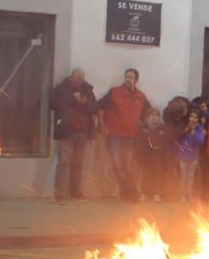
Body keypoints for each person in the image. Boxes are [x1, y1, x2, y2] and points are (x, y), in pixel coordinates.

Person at [98, 68, 150, 202]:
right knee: (120, 164)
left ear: (136, 80)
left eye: (131, 77)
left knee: (125, 165)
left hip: (132, 136)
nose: (128, 79)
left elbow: (148, 113)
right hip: (115, 134)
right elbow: (100, 108)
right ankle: (132, 193)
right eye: (127, 77)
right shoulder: (114, 92)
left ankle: (126, 193)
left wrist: (146, 127)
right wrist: (103, 127)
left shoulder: (141, 96)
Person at [50, 68, 98, 203]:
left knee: (78, 164)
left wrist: (84, 103)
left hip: (82, 131)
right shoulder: (61, 88)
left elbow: (95, 107)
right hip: (66, 131)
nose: (79, 79)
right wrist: (72, 98)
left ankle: (76, 192)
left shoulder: (88, 89)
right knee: (64, 163)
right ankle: (60, 193)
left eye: (81, 77)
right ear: (71, 76)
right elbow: (53, 104)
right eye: (77, 77)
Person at [137, 107, 172, 202]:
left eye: (156, 115)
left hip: (158, 156)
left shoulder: (163, 128)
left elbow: (166, 143)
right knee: (145, 175)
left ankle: (157, 194)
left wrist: (161, 150)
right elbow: (139, 142)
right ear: (147, 117)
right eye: (152, 115)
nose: (154, 117)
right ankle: (144, 193)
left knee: (157, 175)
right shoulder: (142, 128)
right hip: (146, 155)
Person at [175, 109, 205, 202]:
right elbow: (176, 138)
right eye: (191, 116)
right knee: (183, 177)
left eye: (196, 117)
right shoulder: (183, 126)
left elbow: (201, 141)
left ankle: (189, 195)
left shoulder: (199, 128)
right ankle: (182, 195)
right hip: (183, 155)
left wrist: (194, 132)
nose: (193, 119)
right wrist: (187, 129)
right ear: (188, 117)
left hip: (194, 156)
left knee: (191, 177)